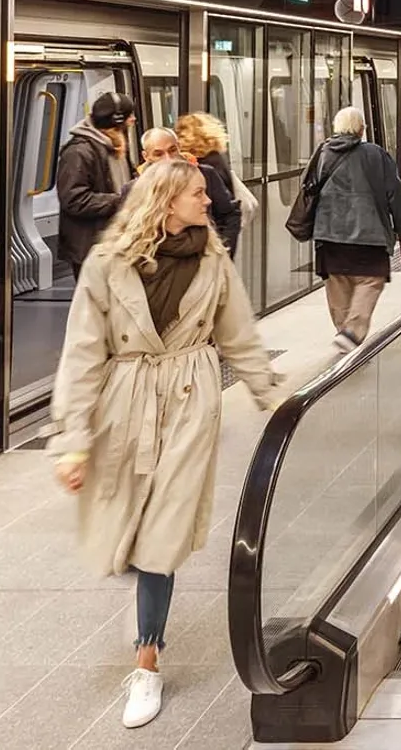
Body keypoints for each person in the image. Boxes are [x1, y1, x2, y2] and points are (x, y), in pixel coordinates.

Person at [47, 160, 282, 730]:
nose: (211, 200)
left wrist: (275, 399)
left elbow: (238, 335)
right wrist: (72, 441)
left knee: (162, 535)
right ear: (167, 200)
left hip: (188, 401)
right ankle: (146, 603)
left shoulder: (213, 260)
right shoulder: (107, 264)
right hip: (122, 404)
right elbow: (81, 354)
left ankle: (147, 662)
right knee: (125, 532)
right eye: (199, 193)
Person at [308, 107, 401, 350]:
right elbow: (394, 192)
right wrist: (400, 224)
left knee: (337, 282)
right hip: (368, 234)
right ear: (361, 129)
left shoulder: (322, 153)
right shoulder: (375, 154)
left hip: (329, 235)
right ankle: (351, 333)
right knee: (370, 280)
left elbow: (308, 189)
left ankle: (343, 332)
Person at [56, 92, 134, 276]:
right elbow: (74, 199)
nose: (133, 120)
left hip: (113, 242)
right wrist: (121, 200)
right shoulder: (79, 152)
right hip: (91, 246)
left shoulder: (114, 146)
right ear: (117, 122)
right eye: (129, 116)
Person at [175, 112, 244, 259]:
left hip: (212, 243)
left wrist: (222, 249)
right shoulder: (216, 158)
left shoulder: (205, 168)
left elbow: (226, 211)